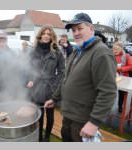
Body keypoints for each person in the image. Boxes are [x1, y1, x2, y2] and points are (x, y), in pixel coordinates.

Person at [44, 13, 117, 142]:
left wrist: (94, 123)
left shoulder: (101, 53)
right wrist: (55, 98)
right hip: (69, 115)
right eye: (73, 30)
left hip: (83, 121)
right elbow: (66, 79)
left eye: (80, 28)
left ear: (91, 29)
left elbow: (108, 92)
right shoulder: (77, 51)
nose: (76, 33)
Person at [27, 25, 65, 142]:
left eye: (49, 34)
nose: (46, 36)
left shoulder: (57, 52)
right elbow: (27, 68)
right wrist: (29, 79)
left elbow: (62, 72)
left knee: (50, 116)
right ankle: (38, 137)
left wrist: (55, 85)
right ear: (40, 35)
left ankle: (47, 137)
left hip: (50, 88)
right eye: (44, 33)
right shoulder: (32, 51)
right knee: (38, 114)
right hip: (36, 88)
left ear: (52, 36)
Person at [113, 41, 132, 113]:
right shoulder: (112, 55)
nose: (114, 51)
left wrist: (121, 69)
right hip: (114, 76)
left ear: (121, 48)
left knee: (122, 93)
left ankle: (120, 106)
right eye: (113, 49)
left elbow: (131, 66)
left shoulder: (126, 56)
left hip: (124, 77)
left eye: (116, 49)